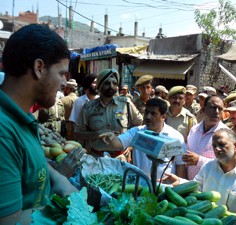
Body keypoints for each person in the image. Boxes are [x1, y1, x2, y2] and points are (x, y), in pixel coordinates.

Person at [0, 24, 78, 225]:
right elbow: (10, 221)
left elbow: (32, 163)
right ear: (39, 68)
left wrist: (58, 179)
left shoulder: (22, 118)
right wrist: (66, 206)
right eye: (61, 73)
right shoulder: (3, 133)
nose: (64, 83)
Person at [162, 128, 236, 217]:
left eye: (222, 145)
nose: (217, 149)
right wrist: (180, 182)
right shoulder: (208, 167)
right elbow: (197, 188)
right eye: (214, 146)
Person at [98, 98, 187, 179]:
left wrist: (178, 185)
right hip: (140, 186)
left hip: (165, 188)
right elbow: (119, 143)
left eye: (153, 114)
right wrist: (112, 138)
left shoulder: (176, 137)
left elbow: (180, 165)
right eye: (147, 112)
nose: (148, 117)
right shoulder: (136, 132)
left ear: (163, 116)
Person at [74, 68, 143, 159]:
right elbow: (77, 133)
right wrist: (96, 134)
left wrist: (130, 146)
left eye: (114, 83)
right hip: (96, 158)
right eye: (107, 83)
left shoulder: (126, 104)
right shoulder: (88, 107)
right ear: (99, 86)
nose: (111, 86)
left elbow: (139, 125)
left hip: (121, 158)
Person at [183, 95, 228, 180]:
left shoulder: (226, 135)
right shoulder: (194, 130)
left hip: (211, 187)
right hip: (190, 185)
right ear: (203, 109)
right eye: (213, 108)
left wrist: (199, 160)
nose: (217, 112)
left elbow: (227, 164)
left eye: (220, 109)